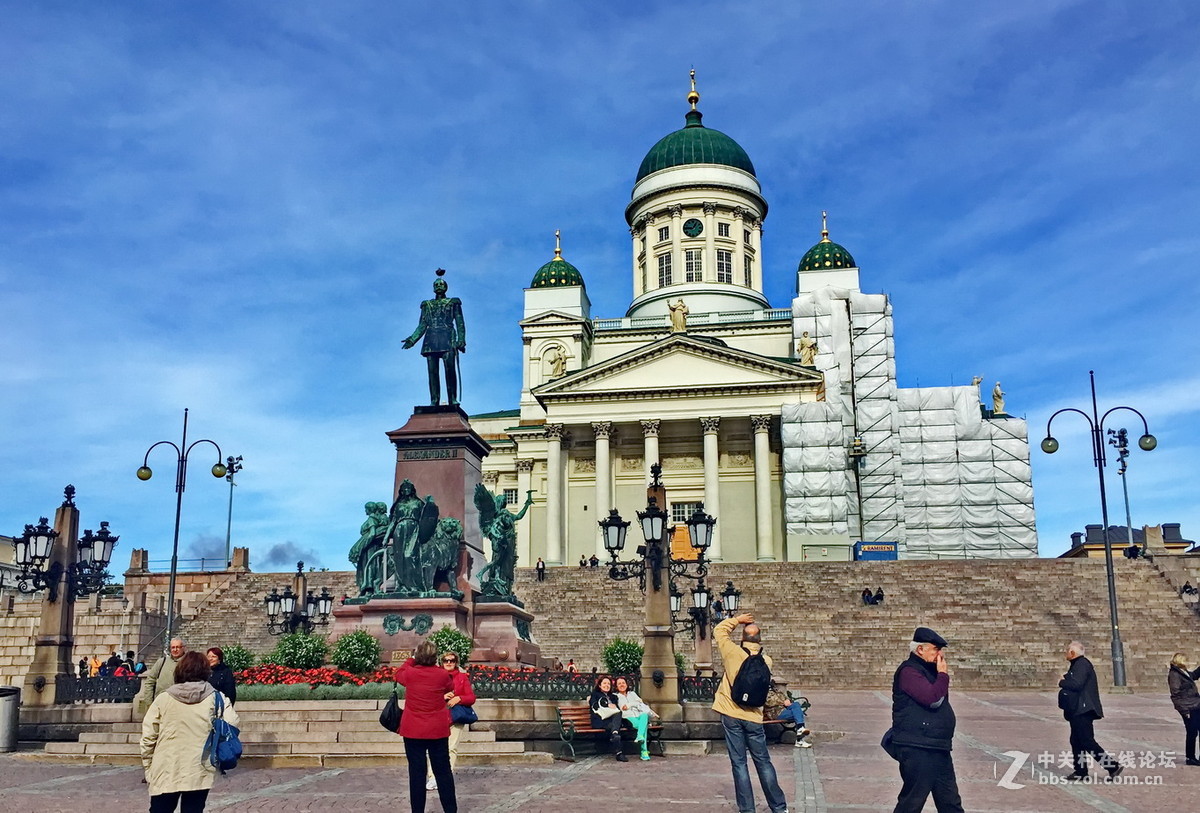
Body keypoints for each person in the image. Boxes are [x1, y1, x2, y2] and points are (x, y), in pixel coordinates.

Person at [141, 650, 239, 813]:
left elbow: (148, 737)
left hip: (166, 765)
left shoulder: (163, 699)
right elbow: (233, 722)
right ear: (205, 671)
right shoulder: (217, 698)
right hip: (200, 765)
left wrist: (149, 766)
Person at [712, 613, 788, 813]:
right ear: (760, 640)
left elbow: (719, 630)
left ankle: (747, 810)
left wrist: (737, 620)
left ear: (742, 638)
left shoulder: (732, 652)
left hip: (731, 712)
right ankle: (779, 808)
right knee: (763, 761)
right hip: (754, 716)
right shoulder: (767, 661)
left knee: (739, 763)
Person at [884, 626, 963, 813]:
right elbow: (932, 698)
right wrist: (943, 675)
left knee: (950, 801)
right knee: (912, 802)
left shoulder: (928, 670)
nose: (940, 654)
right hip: (919, 746)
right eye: (935, 649)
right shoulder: (909, 672)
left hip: (937, 746)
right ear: (920, 649)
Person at [395, 641, 457, 813]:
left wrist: (411, 659)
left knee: (416, 773)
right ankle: (451, 810)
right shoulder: (442, 675)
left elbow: (398, 673)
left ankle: (417, 811)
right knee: (443, 772)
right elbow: (450, 686)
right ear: (434, 657)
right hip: (437, 730)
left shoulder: (410, 673)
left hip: (413, 730)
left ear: (419, 656)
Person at [1059, 641, 1121, 781]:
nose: (1066, 653)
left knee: (1086, 740)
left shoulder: (1082, 664)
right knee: (1076, 740)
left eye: (1067, 651)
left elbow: (1077, 684)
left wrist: (1062, 681)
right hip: (1079, 708)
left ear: (1072, 653)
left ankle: (1112, 766)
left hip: (1083, 709)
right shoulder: (1078, 665)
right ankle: (1080, 771)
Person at [402, 274, 467, 406]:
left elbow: (460, 322)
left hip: (448, 337)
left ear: (446, 287)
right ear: (433, 288)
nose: (439, 286)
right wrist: (412, 339)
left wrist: (461, 339)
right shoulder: (427, 305)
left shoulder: (453, 302)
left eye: (441, 284)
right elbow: (422, 324)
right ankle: (434, 400)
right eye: (436, 285)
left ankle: (452, 399)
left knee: (450, 371)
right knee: (432, 373)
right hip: (431, 339)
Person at [427, 650, 476, 791]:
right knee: (435, 748)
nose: (449, 663)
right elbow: (428, 695)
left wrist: (459, 698)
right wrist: (441, 697)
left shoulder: (461, 677)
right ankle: (432, 777)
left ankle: (445, 776)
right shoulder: (435, 676)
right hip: (438, 716)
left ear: (456, 662)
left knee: (451, 748)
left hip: (455, 717)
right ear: (441, 662)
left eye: (452, 660)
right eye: (446, 660)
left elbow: (471, 697)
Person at [1167, 653, 1200, 766]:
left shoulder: (1182, 672)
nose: (1187, 662)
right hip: (1188, 707)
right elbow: (1175, 694)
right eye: (1185, 660)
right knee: (1192, 732)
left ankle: (1194, 757)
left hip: (1196, 705)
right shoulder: (1174, 674)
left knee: (1196, 731)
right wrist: (1184, 711)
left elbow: (1194, 675)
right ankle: (1190, 757)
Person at [614, 676, 657, 761]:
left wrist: (630, 705)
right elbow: (622, 707)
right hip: (628, 718)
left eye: (623, 683)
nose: (622, 685)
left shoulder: (632, 694)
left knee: (644, 715)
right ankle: (644, 751)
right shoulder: (616, 696)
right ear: (616, 686)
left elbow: (640, 704)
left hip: (639, 716)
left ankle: (640, 737)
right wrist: (634, 703)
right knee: (643, 726)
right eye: (619, 683)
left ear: (627, 684)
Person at [141, 639, 187, 715]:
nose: (175, 650)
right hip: (160, 704)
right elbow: (150, 681)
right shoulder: (162, 662)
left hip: (179, 705)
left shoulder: (188, 663)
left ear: (183, 648)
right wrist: (149, 702)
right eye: (173, 647)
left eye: (178, 647)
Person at [589, 676, 626, 762]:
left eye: (608, 683)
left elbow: (617, 709)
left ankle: (615, 735)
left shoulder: (613, 697)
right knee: (616, 726)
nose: (607, 685)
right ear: (599, 685)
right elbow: (594, 706)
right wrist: (607, 705)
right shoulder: (595, 695)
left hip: (611, 722)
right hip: (600, 721)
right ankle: (619, 752)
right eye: (604, 683)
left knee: (618, 714)